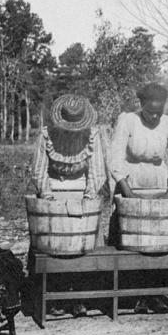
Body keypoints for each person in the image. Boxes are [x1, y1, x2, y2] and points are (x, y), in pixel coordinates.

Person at [109, 82, 168, 313]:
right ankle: (134, 296)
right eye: (150, 111)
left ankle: (157, 294)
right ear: (141, 104)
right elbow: (115, 158)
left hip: (158, 183)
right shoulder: (128, 120)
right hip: (130, 182)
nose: (154, 116)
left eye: (159, 111)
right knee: (132, 241)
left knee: (159, 241)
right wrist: (127, 192)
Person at [30, 94, 109, 316]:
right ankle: (55, 298)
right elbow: (38, 170)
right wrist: (49, 200)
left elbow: (97, 171)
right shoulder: (47, 135)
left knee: (83, 246)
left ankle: (80, 298)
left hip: (82, 192)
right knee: (55, 248)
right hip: (54, 192)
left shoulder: (92, 135)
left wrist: (87, 200)